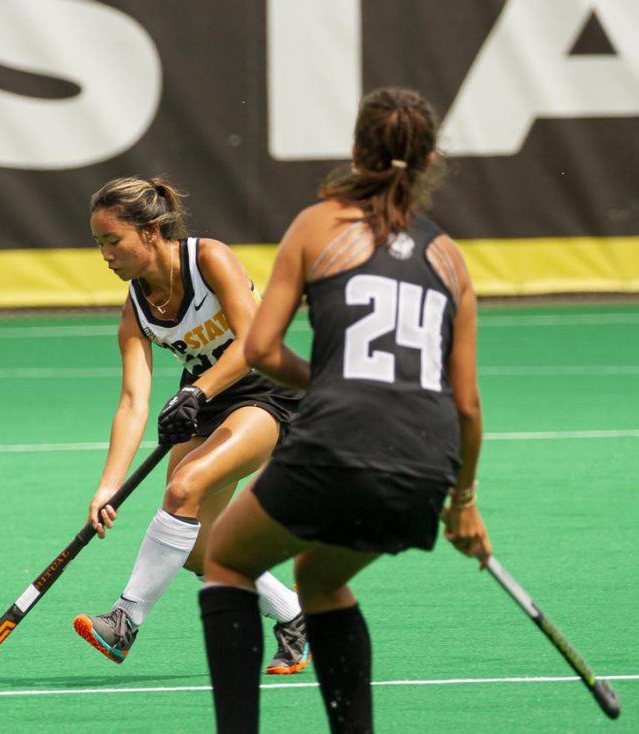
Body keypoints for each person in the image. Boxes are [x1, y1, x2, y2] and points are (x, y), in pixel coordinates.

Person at [199, 87, 493, 733]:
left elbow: (262, 349)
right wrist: (463, 502)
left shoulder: (318, 224)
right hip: (427, 462)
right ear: (430, 160)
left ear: (357, 151)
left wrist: (328, 380)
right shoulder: (450, 258)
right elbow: (467, 405)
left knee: (225, 558)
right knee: (322, 578)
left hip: (338, 440)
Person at [73, 176, 310, 675]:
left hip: (266, 393)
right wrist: (107, 487)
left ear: (152, 231)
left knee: (183, 488)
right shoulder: (136, 307)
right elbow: (133, 402)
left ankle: (125, 620)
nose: (106, 255)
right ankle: (294, 615)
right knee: (200, 551)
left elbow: (252, 344)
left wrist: (197, 390)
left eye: (113, 241)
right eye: (99, 245)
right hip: (203, 402)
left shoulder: (209, 259)